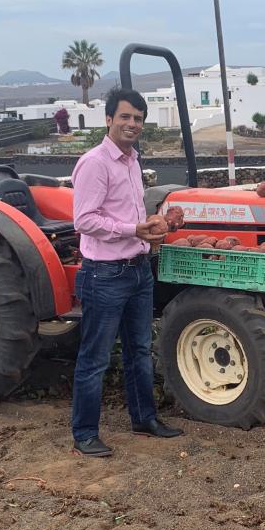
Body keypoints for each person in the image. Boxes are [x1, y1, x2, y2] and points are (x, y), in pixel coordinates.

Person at [70, 88, 183, 457]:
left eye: (138, 118)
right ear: (108, 119)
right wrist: (133, 230)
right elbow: (84, 220)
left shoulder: (132, 162)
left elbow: (125, 215)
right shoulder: (95, 162)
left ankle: (144, 419)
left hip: (137, 270)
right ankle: (85, 432)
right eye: (125, 117)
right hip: (105, 275)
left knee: (139, 350)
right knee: (96, 357)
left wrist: (149, 225)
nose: (132, 124)